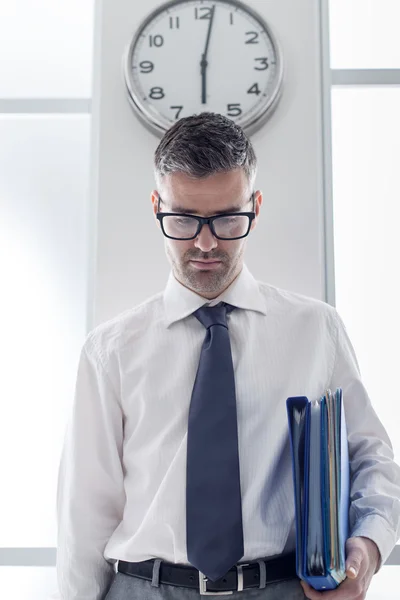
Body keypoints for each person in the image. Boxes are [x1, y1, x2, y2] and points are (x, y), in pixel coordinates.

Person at [52, 112, 400, 600]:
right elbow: (84, 517)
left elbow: (371, 457)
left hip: (281, 588)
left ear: (255, 206)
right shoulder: (109, 351)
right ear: (157, 205)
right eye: (183, 219)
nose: (205, 242)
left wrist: (369, 546)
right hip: (144, 589)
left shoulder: (316, 330)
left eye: (228, 219)